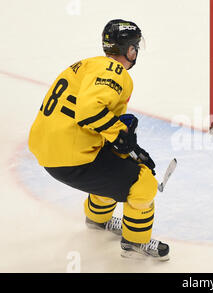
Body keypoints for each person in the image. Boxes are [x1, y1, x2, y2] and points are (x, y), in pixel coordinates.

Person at [28, 19, 169, 261]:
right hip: (71, 158)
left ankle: (97, 220)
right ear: (130, 50)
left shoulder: (87, 65)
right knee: (143, 184)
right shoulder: (116, 72)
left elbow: (85, 114)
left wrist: (128, 147)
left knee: (120, 163)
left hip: (49, 148)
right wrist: (119, 135)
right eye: (135, 47)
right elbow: (89, 111)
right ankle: (135, 243)